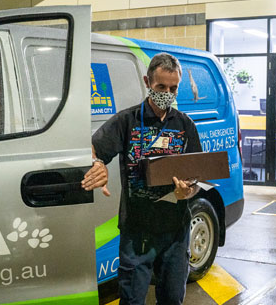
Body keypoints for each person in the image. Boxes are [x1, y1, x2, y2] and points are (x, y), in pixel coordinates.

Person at [82, 52, 202, 305]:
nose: (167, 93)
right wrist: (97, 163)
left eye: (173, 88)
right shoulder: (126, 121)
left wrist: (188, 191)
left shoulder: (185, 125)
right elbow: (92, 148)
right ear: (148, 83)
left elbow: (197, 176)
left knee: (172, 299)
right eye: (161, 87)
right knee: (132, 300)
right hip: (137, 231)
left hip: (175, 231)